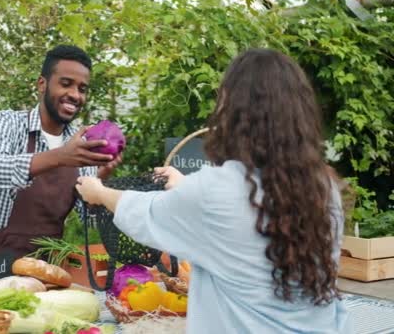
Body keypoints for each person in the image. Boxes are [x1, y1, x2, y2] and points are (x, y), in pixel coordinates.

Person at [76, 49, 352, 333]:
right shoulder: (323, 186)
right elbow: (250, 217)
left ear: (232, 111)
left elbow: (146, 212)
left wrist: (98, 192)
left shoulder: (215, 191)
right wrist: (184, 186)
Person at [0, 44, 121, 258]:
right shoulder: (9, 122)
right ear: (42, 84)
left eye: (82, 89)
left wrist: (100, 181)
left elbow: (88, 218)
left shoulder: (82, 143)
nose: (74, 94)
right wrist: (61, 157)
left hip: (48, 262)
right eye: (66, 84)